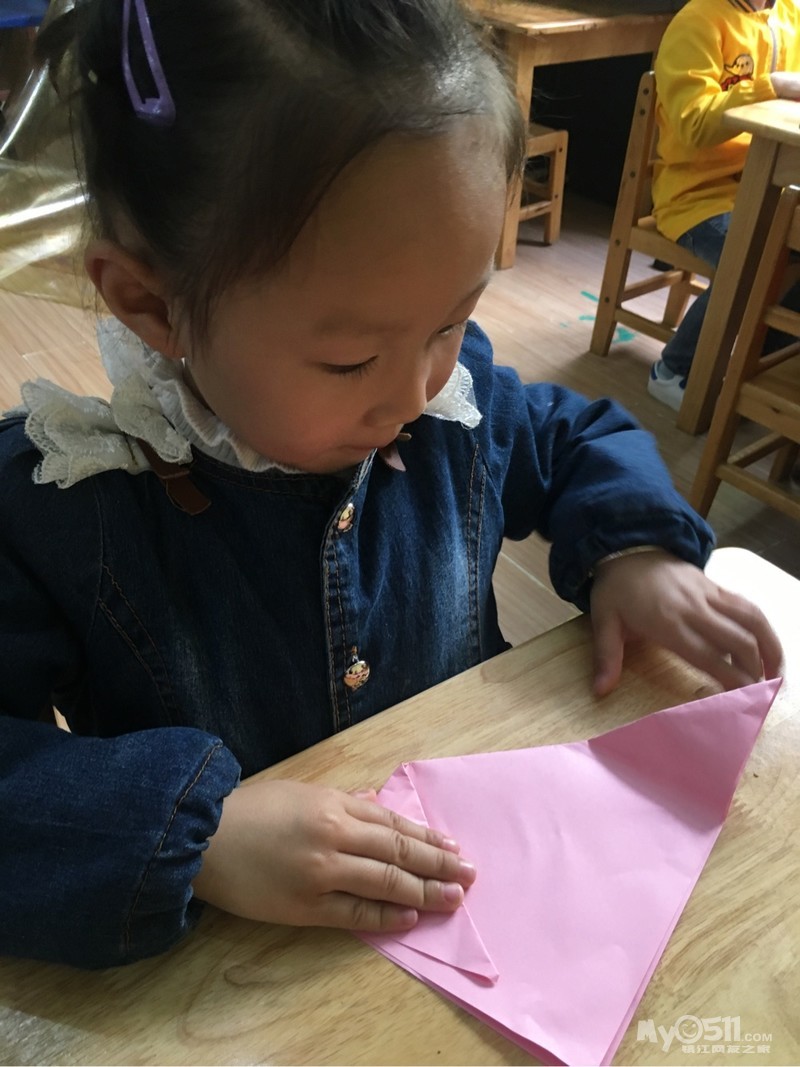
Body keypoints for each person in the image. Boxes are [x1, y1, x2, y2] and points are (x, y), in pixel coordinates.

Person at [0, 0, 782, 971]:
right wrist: (196, 834)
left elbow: (576, 434)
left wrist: (636, 551)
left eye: (451, 321)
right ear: (150, 303)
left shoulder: (452, 403)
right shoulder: (65, 499)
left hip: (488, 907)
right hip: (246, 980)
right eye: (350, 359)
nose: (416, 392)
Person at [648, 0, 800, 411]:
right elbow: (693, 124)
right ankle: (674, 369)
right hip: (695, 196)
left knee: (789, 249)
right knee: (759, 255)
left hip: (769, 190)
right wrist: (773, 85)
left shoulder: (791, 14)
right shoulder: (698, 20)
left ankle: (755, 363)